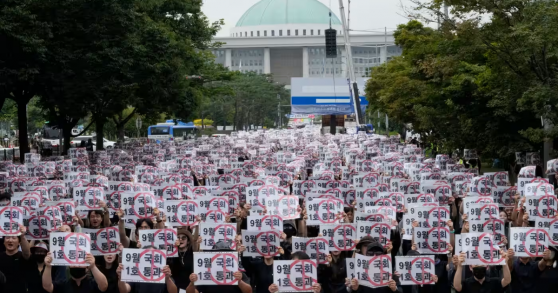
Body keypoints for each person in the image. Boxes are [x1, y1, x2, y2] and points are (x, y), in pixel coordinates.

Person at [187, 241, 252, 293]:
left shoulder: (236, 273)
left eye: (224, 254)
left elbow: (249, 291)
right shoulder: (206, 274)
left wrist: (239, 282)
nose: (221, 257)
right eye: (218, 254)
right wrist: (192, 283)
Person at [42, 252, 109, 292]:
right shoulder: (64, 284)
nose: (77, 265)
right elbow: (47, 287)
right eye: (73, 263)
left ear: (87, 267)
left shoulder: (93, 283)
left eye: (80, 263)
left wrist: (93, 266)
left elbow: (104, 286)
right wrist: (48, 267)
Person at [0, 225, 32, 293]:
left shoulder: (22, 256)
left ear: (19, 243)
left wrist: (22, 236)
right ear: (3, 242)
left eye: (14, 238)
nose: (10, 240)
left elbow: (27, 253)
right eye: (7, 238)